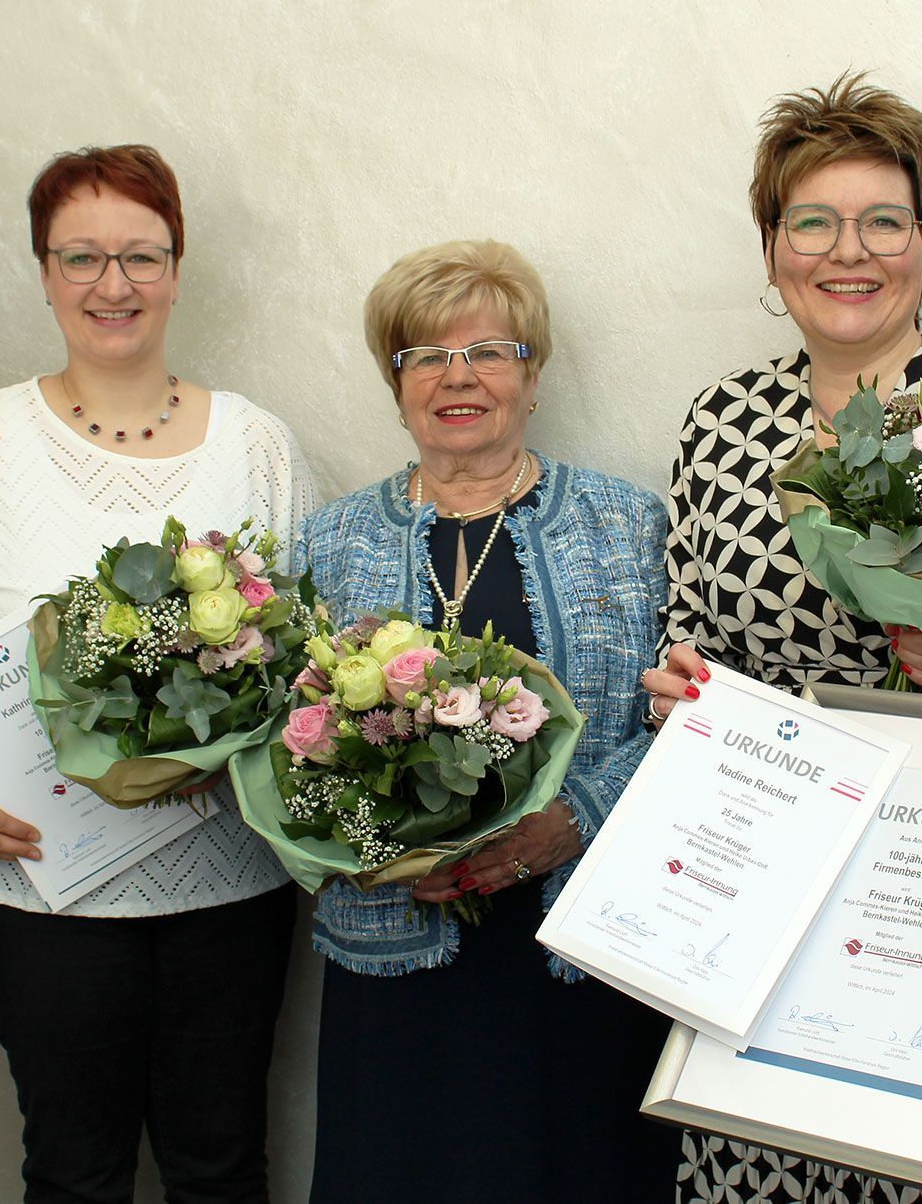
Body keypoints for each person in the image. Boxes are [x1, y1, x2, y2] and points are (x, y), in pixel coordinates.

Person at [642, 78, 922, 1204]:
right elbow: (689, 627)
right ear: (771, 250)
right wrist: (683, 690)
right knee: (757, 1162)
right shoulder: (721, 420)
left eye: (884, 221)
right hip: (761, 890)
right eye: (812, 221)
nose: (848, 252)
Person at [0, 145, 315, 1204]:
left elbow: (304, 658)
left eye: (141, 254)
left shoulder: (258, 445)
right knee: (74, 1172)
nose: (113, 283)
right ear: (44, 271)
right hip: (37, 883)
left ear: (177, 269)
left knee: (221, 1168)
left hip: (230, 878)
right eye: (81, 256)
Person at [296, 239, 677, 1202]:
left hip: (582, 956)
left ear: (533, 377)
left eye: (489, 352)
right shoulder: (329, 540)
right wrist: (378, 844)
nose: (457, 376)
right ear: (396, 385)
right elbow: (289, 742)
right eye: (426, 355)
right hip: (394, 954)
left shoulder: (630, 525)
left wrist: (575, 816)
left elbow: (685, 723)